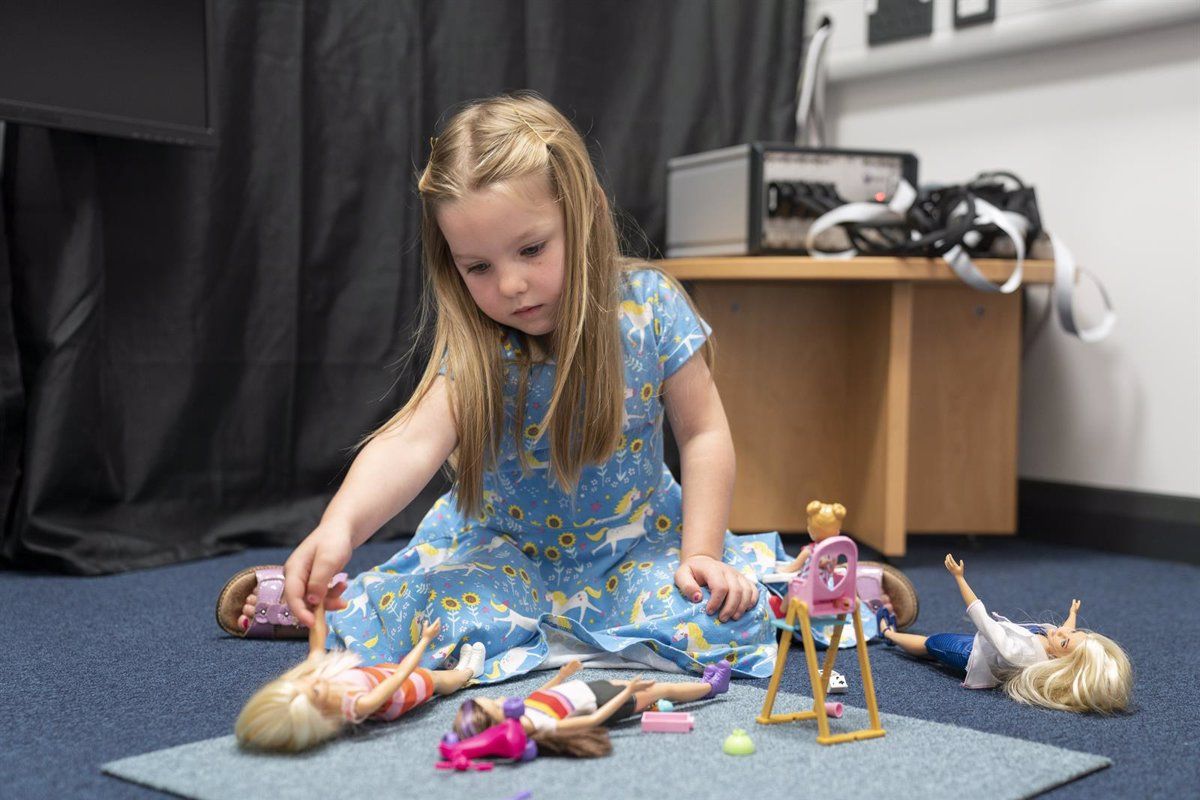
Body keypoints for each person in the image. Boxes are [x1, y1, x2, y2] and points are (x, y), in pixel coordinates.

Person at [219, 91, 794, 680]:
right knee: (446, 614)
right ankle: (317, 602)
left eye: (531, 249)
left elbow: (703, 435)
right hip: (504, 559)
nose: (512, 285)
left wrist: (699, 555)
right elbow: (409, 445)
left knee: (723, 608)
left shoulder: (651, 306)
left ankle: (823, 590)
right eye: (479, 267)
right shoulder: (481, 348)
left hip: (635, 550)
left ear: (588, 212)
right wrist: (337, 526)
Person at [234, 587, 485, 752]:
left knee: (394, 668)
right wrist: (425, 641)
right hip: (399, 692)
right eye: (316, 693)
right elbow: (401, 676)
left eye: (304, 683)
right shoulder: (358, 704)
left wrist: (318, 601)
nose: (314, 681)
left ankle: (462, 671)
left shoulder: (317, 679)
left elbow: (318, 636)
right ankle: (468, 672)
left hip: (375, 675)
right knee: (435, 679)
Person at [878, 554, 1132, 714]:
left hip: (969, 654)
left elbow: (982, 619)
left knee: (931, 644)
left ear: (1058, 658)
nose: (1061, 631)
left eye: (1064, 639)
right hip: (982, 647)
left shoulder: (1022, 654)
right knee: (929, 650)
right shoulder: (1056, 648)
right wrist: (1073, 614)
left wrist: (959, 578)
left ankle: (888, 633)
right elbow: (1067, 633)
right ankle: (899, 638)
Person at [451, 658, 732, 757]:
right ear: (500, 726)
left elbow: (540, 696)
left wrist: (562, 676)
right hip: (605, 701)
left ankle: (704, 685)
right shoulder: (542, 728)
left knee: (658, 688)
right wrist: (627, 696)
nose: (502, 700)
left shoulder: (522, 713)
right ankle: (712, 688)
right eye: (496, 705)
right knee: (662, 688)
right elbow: (594, 720)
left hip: (589, 689)